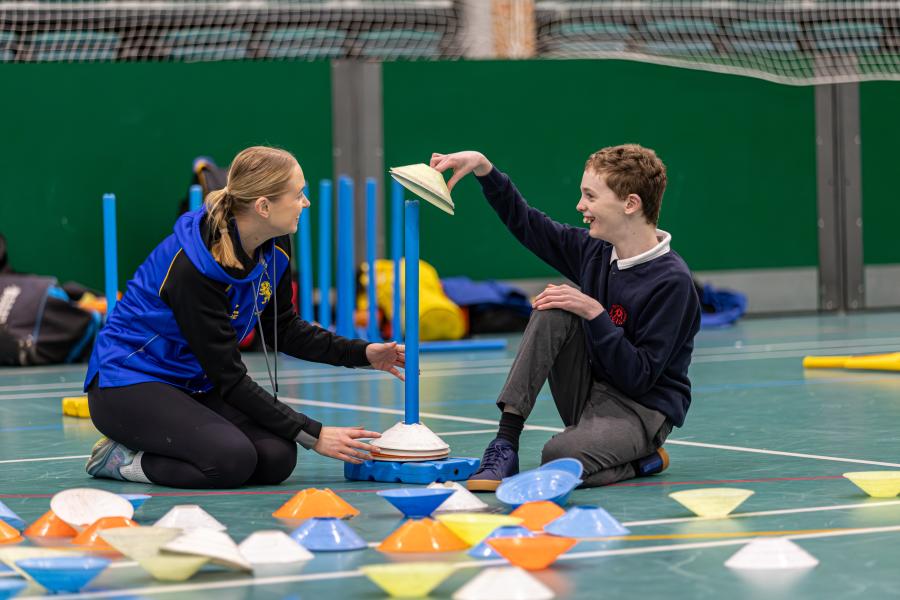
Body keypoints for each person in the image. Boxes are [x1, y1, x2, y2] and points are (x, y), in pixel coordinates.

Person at [83, 146, 404, 489]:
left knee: (277, 457)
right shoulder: (192, 268)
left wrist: (363, 353)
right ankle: (122, 461)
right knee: (230, 461)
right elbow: (230, 378)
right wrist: (316, 434)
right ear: (264, 206)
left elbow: (283, 328)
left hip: (194, 383)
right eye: (298, 195)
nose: (305, 203)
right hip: (128, 384)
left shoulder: (275, 242)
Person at [429, 145, 700, 491]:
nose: (580, 207)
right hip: (590, 390)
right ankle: (505, 443)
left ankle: (643, 461)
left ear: (630, 204)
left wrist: (594, 312)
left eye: (589, 196)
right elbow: (528, 224)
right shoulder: (595, 251)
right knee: (556, 303)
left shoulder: (672, 281)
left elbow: (639, 378)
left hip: (640, 409)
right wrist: (485, 169)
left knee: (558, 457)